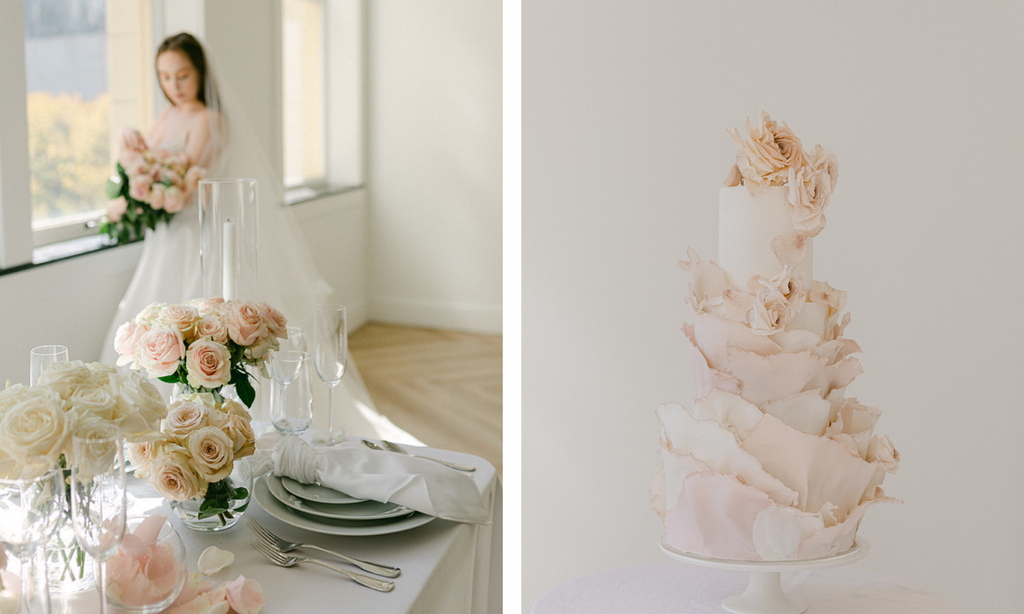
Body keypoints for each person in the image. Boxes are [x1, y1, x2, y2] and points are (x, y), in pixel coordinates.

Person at [101, 33, 413, 443]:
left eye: (182, 75)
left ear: (199, 73)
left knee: (194, 320)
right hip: (166, 238)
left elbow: (190, 184)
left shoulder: (208, 120)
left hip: (195, 231)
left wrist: (153, 185)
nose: (174, 85)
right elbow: (152, 169)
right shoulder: (167, 116)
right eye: (165, 76)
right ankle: (155, 425)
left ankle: (204, 420)